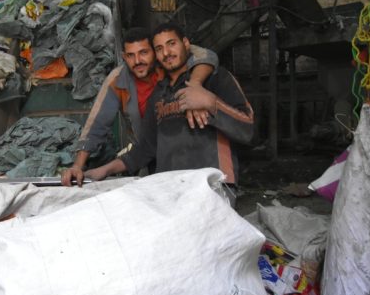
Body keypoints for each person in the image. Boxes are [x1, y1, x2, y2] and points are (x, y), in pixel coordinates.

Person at [82, 22, 254, 192]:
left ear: (186, 44)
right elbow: (145, 148)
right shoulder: (158, 95)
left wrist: (211, 102)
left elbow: (248, 129)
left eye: (171, 44)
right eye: (159, 48)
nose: (166, 53)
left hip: (213, 185)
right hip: (168, 188)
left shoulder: (215, 79)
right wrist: (105, 169)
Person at [61, 26, 219, 186]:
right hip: (147, 149)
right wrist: (77, 166)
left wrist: (195, 86)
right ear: (123, 56)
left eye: (144, 53)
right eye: (130, 55)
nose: (137, 61)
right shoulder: (117, 80)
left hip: (188, 145)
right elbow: (96, 124)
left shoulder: (169, 64)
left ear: (155, 52)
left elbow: (206, 55)